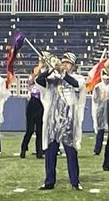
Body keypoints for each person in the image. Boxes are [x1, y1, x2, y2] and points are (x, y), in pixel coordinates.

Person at [36, 53, 84, 190]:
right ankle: (49, 181)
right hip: (53, 121)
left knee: (71, 151)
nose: (64, 65)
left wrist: (63, 74)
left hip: (68, 121)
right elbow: (39, 80)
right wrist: (50, 69)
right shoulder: (52, 78)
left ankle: (75, 182)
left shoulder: (77, 78)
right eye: (63, 62)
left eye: (68, 63)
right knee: (50, 152)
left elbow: (76, 85)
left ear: (73, 66)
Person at [20, 71, 44, 159]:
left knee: (39, 130)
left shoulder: (43, 79)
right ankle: (23, 149)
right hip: (32, 103)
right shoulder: (32, 77)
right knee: (29, 130)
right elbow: (31, 81)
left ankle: (39, 152)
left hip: (40, 104)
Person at [92, 74, 109, 156]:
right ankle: (97, 149)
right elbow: (95, 99)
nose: (106, 80)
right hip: (101, 109)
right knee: (100, 130)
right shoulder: (98, 87)